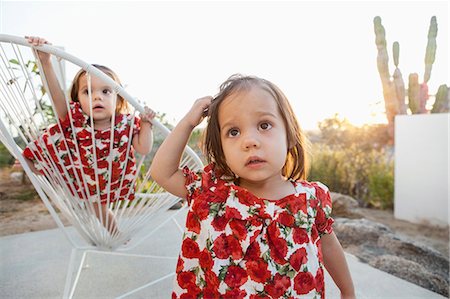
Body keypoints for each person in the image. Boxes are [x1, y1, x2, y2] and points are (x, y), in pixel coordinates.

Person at [151, 74, 355, 298]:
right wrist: (188, 123)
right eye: (233, 132)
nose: (249, 141)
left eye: (264, 125)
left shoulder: (311, 198)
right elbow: (163, 173)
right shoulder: (212, 192)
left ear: (290, 135)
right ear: (222, 149)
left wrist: (347, 291)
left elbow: (329, 247)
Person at [23, 36, 156, 236]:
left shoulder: (125, 124)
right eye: (87, 92)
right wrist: (45, 61)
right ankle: (46, 171)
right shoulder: (76, 119)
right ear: (78, 100)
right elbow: (56, 94)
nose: (97, 97)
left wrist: (146, 125)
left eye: (105, 91)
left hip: (105, 183)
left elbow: (144, 148)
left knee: (99, 210)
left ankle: (115, 234)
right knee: (27, 159)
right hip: (77, 176)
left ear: (118, 98)